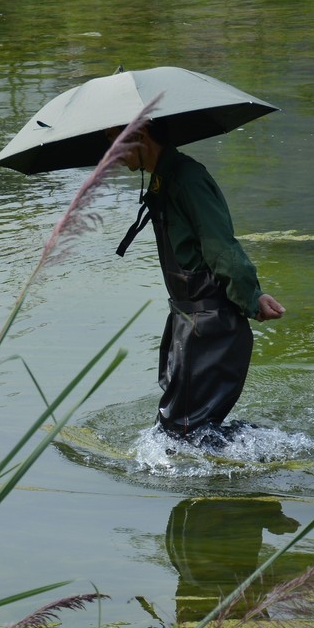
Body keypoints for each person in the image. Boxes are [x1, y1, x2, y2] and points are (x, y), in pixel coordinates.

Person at [110, 121, 285, 445]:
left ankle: (276, 454)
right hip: (187, 320)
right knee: (178, 431)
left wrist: (251, 297)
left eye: (114, 140)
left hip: (211, 325)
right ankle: (264, 450)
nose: (112, 153)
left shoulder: (187, 178)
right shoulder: (163, 180)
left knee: (183, 433)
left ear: (139, 135)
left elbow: (221, 247)